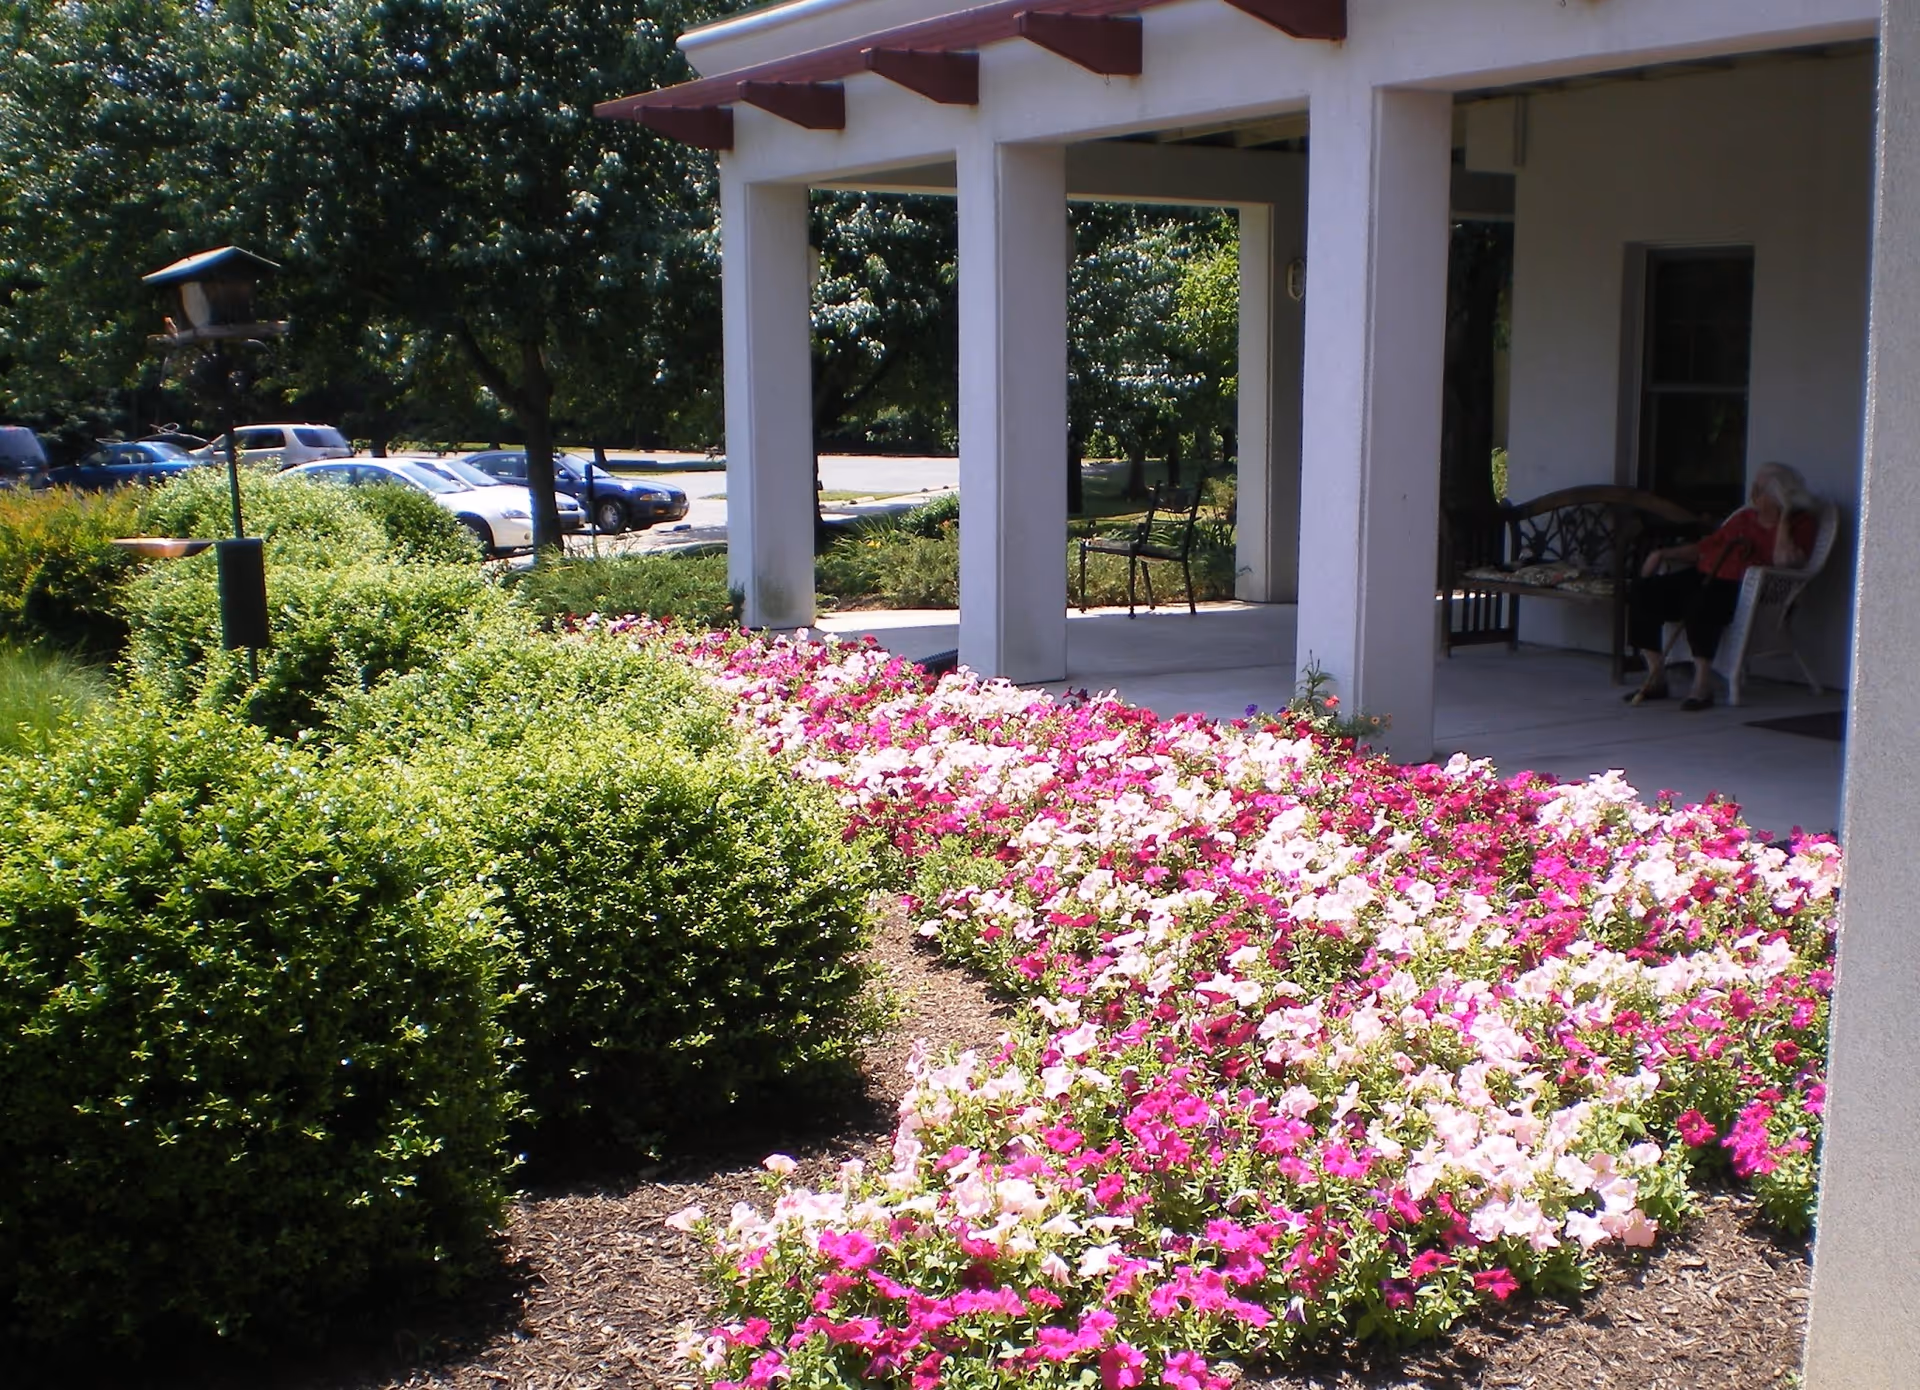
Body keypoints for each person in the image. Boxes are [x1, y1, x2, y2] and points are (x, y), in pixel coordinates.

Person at [1625, 461, 1817, 711]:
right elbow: (1704, 548)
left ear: (1777, 497)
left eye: (1759, 489)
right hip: (1706, 574)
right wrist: (1663, 554)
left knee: (1702, 600)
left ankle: (1702, 685)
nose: (1753, 495)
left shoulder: (1800, 524)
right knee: (1643, 591)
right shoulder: (1744, 519)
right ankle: (1656, 676)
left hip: (1745, 589)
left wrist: (1783, 520)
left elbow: (1785, 562)